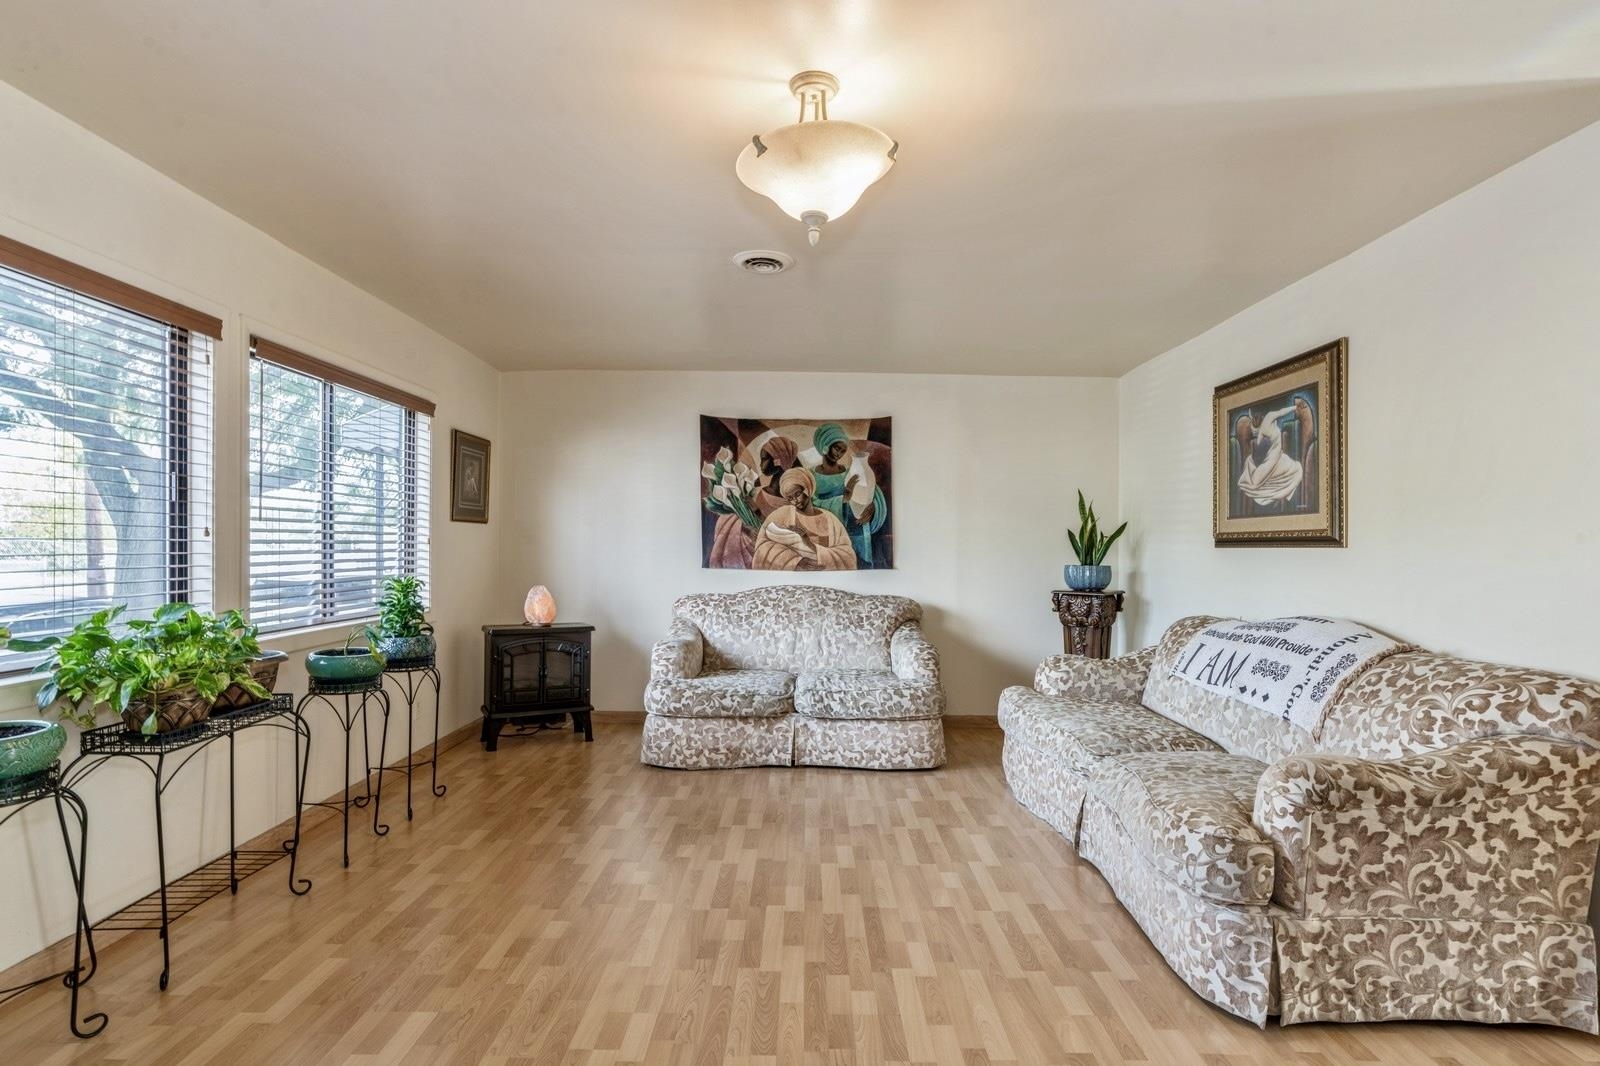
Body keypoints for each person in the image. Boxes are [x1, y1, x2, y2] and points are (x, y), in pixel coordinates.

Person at [807, 423, 888, 567]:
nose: (839, 453)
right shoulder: (811, 475)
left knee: (860, 564)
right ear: (826, 444)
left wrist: (873, 507)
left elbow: (874, 493)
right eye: (836, 448)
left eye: (843, 451)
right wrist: (843, 500)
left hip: (857, 527)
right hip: (831, 531)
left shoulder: (851, 472)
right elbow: (811, 504)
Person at [752, 467, 856, 571]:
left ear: (807, 489)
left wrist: (810, 545)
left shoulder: (830, 519)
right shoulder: (782, 514)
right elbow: (763, 547)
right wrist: (796, 562)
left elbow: (847, 556)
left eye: (797, 494)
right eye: (790, 498)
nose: (795, 501)